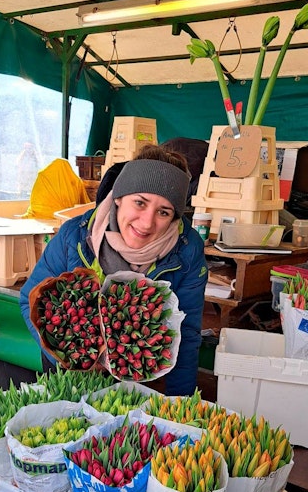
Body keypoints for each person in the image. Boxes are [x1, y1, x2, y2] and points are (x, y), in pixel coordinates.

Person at [19, 145, 207, 396]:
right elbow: (30, 301)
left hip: (138, 381)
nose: (147, 222)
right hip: (72, 377)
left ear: (174, 218)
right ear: (118, 196)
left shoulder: (187, 251)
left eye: (164, 212)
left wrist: (179, 404)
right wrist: (71, 359)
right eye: (140, 203)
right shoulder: (75, 234)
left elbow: (186, 335)